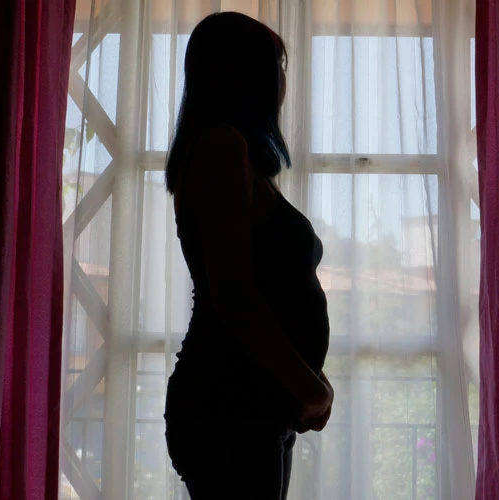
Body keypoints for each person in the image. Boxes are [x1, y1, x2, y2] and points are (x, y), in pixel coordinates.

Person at [163, 11, 334, 500]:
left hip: (256, 402)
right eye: (277, 64)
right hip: (231, 404)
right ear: (244, 73)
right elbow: (234, 297)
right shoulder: (221, 147)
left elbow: (266, 292)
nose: (283, 79)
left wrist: (304, 381)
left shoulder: (238, 157)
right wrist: (310, 387)